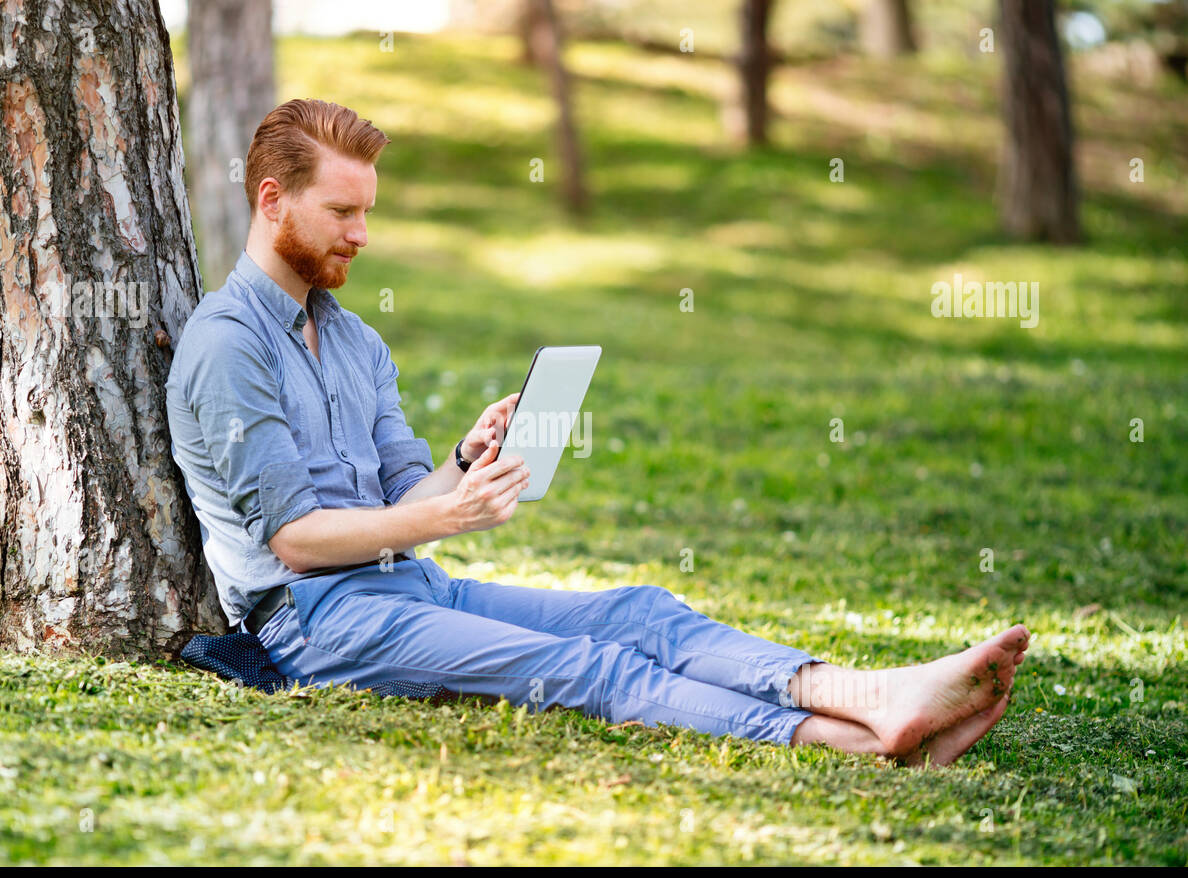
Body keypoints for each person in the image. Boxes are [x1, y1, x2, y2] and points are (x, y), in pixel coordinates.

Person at [165, 99, 1031, 768]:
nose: (363, 235)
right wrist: (449, 516)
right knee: (590, 668)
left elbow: (400, 501)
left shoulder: (355, 339)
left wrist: (467, 465)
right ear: (272, 201)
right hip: (314, 624)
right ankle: (859, 742)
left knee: (637, 612)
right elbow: (299, 540)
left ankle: (871, 695)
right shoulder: (228, 345)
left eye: (368, 211)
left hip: (408, 586)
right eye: (342, 212)